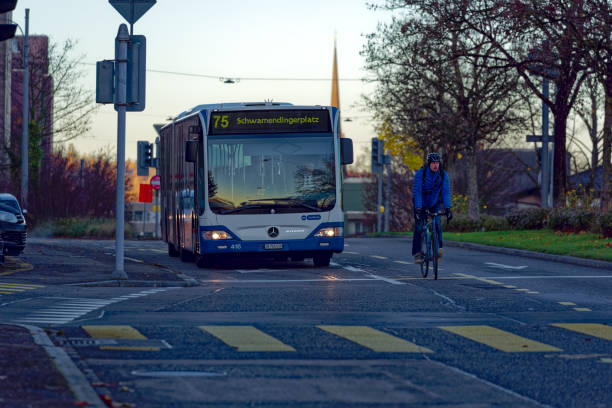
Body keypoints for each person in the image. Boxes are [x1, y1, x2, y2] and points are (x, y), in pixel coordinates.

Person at [412, 152, 452, 264]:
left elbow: (446, 193)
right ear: (429, 163)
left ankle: (439, 249)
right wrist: (418, 209)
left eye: (437, 163)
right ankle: (417, 253)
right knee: (419, 227)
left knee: (438, 224)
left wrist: (448, 208)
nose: (435, 165)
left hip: (435, 203)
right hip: (421, 203)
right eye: (433, 163)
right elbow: (417, 192)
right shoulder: (421, 174)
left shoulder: (443, 175)